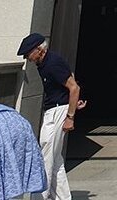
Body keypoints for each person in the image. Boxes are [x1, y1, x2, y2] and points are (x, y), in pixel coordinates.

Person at [17, 32, 82, 200]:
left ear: (39, 49)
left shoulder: (52, 62)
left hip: (57, 111)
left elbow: (74, 87)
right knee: (55, 159)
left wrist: (70, 117)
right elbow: (70, 79)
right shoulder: (44, 63)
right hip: (56, 109)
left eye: (28, 54)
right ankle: (62, 197)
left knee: (45, 156)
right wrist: (72, 104)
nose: (27, 58)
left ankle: (40, 196)